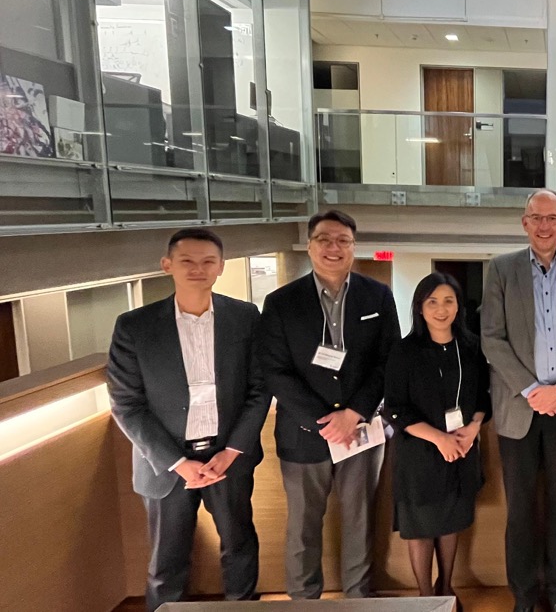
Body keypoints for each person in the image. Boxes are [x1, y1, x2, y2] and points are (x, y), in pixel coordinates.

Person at [107, 228, 268, 611]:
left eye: (208, 261)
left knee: (240, 546)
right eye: (188, 261)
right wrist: (178, 464)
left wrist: (231, 452)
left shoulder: (245, 317)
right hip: (166, 464)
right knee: (166, 561)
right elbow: (127, 405)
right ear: (168, 266)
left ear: (221, 267)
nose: (199, 269)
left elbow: (259, 389)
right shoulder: (135, 326)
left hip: (226, 458)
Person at [258, 209, 400, 599]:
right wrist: (326, 421)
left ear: (355, 248)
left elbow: (388, 360)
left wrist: (353, 413)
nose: (333, 248)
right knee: (303, 527)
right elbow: (274, 370)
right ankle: (304, 603)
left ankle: (357, 599)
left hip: (361, 430)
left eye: (343, 241)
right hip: (304, 434)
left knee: (359, 521)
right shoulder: (281, 302)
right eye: (325, 239)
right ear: (309, 245)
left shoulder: (378, 296)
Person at [481, 189, 556, 612]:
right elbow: (491, 339)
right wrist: (533, 390)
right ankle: (525, 598)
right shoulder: (500, 269)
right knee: (519, 513)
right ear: (525, 222)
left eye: (552, 217)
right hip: (518, 410)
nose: (545, 225)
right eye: (537, 217)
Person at [384, 272, 491, 601]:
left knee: (450, 521)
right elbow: (395, 408)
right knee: (421, 527)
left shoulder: (472, 347)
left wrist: (473, 429)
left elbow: (485, 399)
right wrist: (439, 439)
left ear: (459, 306)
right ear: (419, 307)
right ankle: (426, 596)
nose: (441, 309)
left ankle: (446, 589)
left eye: (448, 301)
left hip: (461, 449)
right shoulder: (405, 351)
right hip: (420, 452)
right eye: (432, 301)